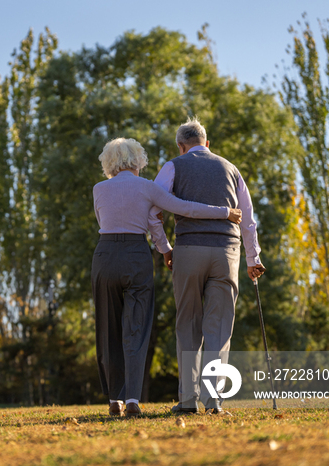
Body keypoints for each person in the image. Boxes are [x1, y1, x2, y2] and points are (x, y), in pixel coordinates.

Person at [92, 137, 242, 417]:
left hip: (104, 256)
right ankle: (134, 400)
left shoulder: (98, 189)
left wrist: (164, 248)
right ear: (138, 161)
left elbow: (104, 222)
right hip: (137, 255)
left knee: (108, 327)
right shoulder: (148, 188)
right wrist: (224, 213)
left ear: (109, 164)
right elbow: (186, 208)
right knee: (136, 328)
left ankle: (115, 399)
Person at [151, 117, 266, 416]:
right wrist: (253, 259)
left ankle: (188, 400)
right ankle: (214, 401)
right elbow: (249, 219)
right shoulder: (231, 168)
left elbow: (153, 211)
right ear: (207, 143)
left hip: (187, 250)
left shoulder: (173, 166)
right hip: (227, 253)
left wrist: (164, 248)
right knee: (219, 328)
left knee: (188, 323)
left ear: (181, 145)